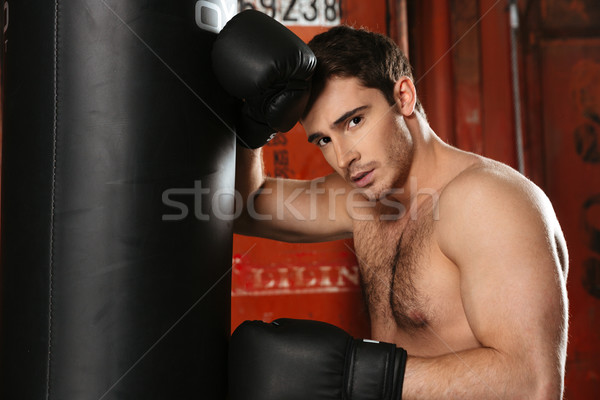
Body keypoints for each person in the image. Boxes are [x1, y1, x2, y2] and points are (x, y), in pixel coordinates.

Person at [213, 10, 569, 400]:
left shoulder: (488, 203)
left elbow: (534, 384)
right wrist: (250, 129)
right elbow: (244, 208)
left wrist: (354, 376)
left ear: (403, 96)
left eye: (354, 121)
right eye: (323, 140)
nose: (345, 156)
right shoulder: (363, 198)